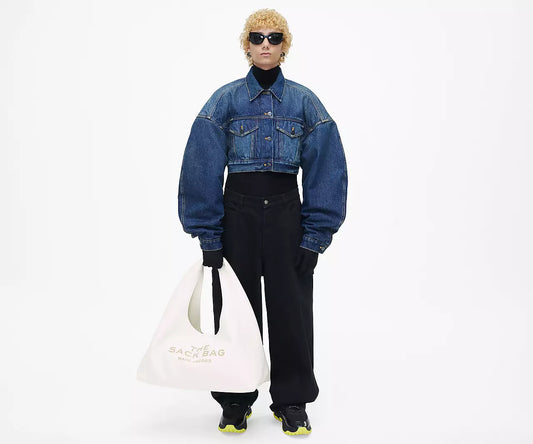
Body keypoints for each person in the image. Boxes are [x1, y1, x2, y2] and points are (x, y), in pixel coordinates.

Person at [177, 8, 347, 436]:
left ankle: (291, 401)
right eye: (257, 37)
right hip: (238, 216)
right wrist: (209, 235)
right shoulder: (225, 101)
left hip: (288, 216)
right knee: (236, 312)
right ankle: (235, 399)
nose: (265, 45)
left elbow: (327, 169)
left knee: (292, 311)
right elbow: (201, 166)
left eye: (274, 37)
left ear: (285, 45)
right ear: (246, 45)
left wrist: (315, 236)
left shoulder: (305, 103)